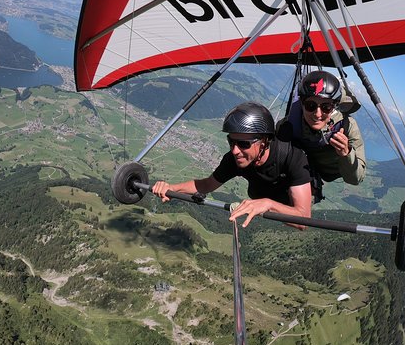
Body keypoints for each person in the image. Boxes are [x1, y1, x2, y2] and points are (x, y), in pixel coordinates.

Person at [152, 102, 312, 228]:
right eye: (231, 141)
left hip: (287, 200)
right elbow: (207, 184)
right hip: (261, 193)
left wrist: (267, 203)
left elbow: (303, 221)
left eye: (243, 143)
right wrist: (172, 188)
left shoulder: (293, 157)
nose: (235, 150)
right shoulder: (234, 158)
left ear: (264, 141)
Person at [276, 70, 366, 199]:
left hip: (329, 172)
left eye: (326, 107)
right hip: (300, 170)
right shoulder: (288, 125)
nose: (318, 114)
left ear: (334, 106)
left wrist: (346, 153)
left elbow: (356, 178)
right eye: (310, 105)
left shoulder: (347, 127)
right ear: (301, 103)